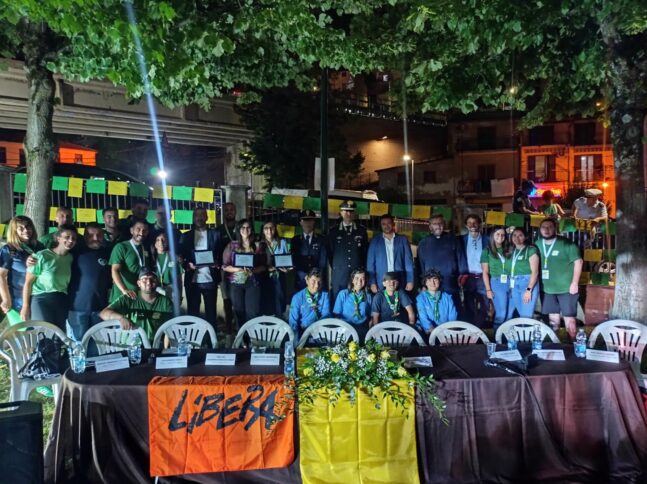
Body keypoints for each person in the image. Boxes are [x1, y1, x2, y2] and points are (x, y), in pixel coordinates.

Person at [21, 225, 78, 330]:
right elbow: (28, 283)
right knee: (44, 333)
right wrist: (25, 307)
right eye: (67, 237)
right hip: (41, 299)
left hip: (61, 299)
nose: (70, 240)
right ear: (58, 238)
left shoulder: (70, 258)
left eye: (73, 238)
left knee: (59, 335)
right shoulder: (41, 256)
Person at [537, 218, 583, 338]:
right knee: (553, 321)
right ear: (540, 230)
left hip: (567, 289)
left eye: (550, 227)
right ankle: (556, 344)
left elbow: (578, 262)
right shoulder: (537, 244)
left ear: (555, 228)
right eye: (543, 227)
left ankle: (573, 345)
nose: (546, 230)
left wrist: (575, 283)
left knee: (570, 320)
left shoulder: (567, 244)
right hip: (547, 289)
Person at [67, 223, 112, 342]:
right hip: (77, 308)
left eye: (99, 235)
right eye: (91, 235)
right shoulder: (74, 252)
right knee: (79, 345)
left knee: (100, 346)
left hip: (101, 309)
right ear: (85, 236)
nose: (95, 238)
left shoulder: (108, 252)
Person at [99, 269, 173, 341]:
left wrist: (166, 347)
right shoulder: (129, 298)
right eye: (144, 279)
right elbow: (103, 313)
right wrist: (121, 318)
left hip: (154, 345)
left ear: (157, 282)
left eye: (152, 279)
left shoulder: (165, 302)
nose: (148, 282)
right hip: (130, 344)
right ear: (139, 283)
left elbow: (170, 327)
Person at [180, 207, 220, 328]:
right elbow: (181, 257)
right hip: (193, 280)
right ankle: (195, 337)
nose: (199, 218)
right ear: (193, 218)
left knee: (211, 313)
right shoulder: (186, 236)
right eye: (197, 215)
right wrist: (187, 264)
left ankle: (211, 338)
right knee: (193, 313)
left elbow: (220, 255)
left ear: (207, 217)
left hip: (210, 280)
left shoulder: (215, 234)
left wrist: (216, 263)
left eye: (202, 215)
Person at [222, 219, 266, 329]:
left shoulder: (257, 245)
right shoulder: (232, 245)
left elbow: (263, 266)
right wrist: (237, 269)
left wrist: (253, 271)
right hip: (236, 283)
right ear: (238, 229)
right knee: (239, 312)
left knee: (253, 312)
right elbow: (224, 266)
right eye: (243, 227)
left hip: (253, 283)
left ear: (251, 229)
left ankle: (252, 336)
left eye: (248, 227)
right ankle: (242, 337)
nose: (245, 230)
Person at [417, 214, 465, 311]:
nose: (438, 226)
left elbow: (461, 260)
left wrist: (462, 277)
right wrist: (422, 285)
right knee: (434, 310)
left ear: (444, 225)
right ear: (430, 226)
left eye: (440, 223)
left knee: (453, 309)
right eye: (435, 224)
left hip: (450, 282)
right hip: (431, 284)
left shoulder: (453, 240)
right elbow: (420, 265)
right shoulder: (423, 243)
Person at [0, 216, 45, 316]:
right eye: (21, 228)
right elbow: (1, 275)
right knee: (23, 325)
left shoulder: (40, 246)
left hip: (39, 296)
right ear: (14, 230)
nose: (26, 230)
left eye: (28, 226)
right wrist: (6, 299)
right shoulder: (9, 249)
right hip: (19, 299)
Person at [328, 200, 369, 299]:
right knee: (338, 299)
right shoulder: (333, 231)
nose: (348, 214)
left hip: (356, 274)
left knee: (356, 298)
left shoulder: (361, 231)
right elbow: (330, 253)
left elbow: (364, 252)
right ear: (341, 212)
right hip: (339, 274)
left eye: (351, 211)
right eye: (346, 211)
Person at [366, 213, 414, 294]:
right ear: (381, 225)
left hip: (399, 280)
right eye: (383, 224)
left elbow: (408, 263)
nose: (386, 226)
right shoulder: (375, 241)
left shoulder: (403, 240)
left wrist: (410, 280)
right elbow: (370, 264)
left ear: (393, 224)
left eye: (389, 223)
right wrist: (372, 282)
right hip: (381, 282)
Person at [109, 220, 150, 303]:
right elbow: (114, 270)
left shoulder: (146, 248)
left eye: (144, 230)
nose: (141, 233)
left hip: (139, 297)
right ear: (131, 230)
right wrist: (125, 290)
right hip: (121, 296)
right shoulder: (121, 247)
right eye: (138, 229)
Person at [460, 214, 490, 327]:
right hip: (468, 277)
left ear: (480, 224)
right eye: (469, 223)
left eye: (475, 222)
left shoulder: (488, 240)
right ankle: (471, 327)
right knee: (469, 305)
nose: (472, 225)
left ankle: (480, 327)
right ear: (466, 225)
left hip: (483, 277)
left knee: (484, 304)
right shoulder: (461, 240)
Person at [480, 226, 511, 330]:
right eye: (497, 234)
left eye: (503, 235)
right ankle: (496, 335)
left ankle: (506, 336)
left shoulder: (509, 249)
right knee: (501, 313)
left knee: (509, 313)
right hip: (497, 283)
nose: (500, 237)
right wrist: (488, 289)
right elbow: (485, 272)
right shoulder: (486, 251)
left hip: (511, 282)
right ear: (492, 236)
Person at [291, 209, 328, 290]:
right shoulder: (295, 240)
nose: (307, 223)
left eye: (310, 220)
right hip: (301, 279)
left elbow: (323, 262)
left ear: (313, 222)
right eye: (305, 221)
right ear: (301, 222)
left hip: (316, 280)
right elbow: (294, 260)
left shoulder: (321, 239)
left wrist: (316, 276)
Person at [260, 221, 291, 317]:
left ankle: (279, 320)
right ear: (263, 230)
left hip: (279, 275)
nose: (269, 230)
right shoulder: (259, 244)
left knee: (279, 299)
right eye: (266, 228)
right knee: (266, 301)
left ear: (275, 229)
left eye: (271, 228)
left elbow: (287, 258)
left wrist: (287, 268)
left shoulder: (282, 242)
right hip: (264, 276)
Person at [508, 227, 540, 319]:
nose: (517, 238)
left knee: (526, 315)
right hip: (514, 284)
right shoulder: (511, 251)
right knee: (522, 314)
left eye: (520, 235)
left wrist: (529, 290)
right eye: (514, 235)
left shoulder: (531, 250)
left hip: (527, 283)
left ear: (525, 237)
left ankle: (529, 328)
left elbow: (535, 272)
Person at [288, 268, 331, 336]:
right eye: (313, 281)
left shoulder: (325, 295)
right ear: (307, 280)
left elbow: (326, 315)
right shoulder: (297, 298)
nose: (317, 286)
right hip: (303, 332)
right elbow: (293, 322)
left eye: (319, 282)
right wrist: (296, 339)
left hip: (320, 330)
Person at [333, 268, 373, 340]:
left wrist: (369, 333)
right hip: (346, 328)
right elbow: (336, 315)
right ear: (352, 280)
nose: (360, 281)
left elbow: (371, 316)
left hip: (362, 328)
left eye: (362, 279)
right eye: (357, 278)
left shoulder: (368, 296)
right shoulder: (343, 294)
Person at [217, 202, 238, 336]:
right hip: (224, 271)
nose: (229, 212)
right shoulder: (219, 230)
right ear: (223, 212)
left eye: (232, 209)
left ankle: (240, 330)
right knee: (227, 300)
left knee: (239, 301)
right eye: (227, 210)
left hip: (241, 270)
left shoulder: (242, 227)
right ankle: (229, 332)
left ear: (235, 211)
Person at [152, 232, 182, 301]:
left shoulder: (174, 257)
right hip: (155, 289)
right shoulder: (150, 258)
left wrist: (180, 295)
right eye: (158, 240)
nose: (161, 242)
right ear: (154, 243)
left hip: (171, 290)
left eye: (163, 240)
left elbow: (179, 279)